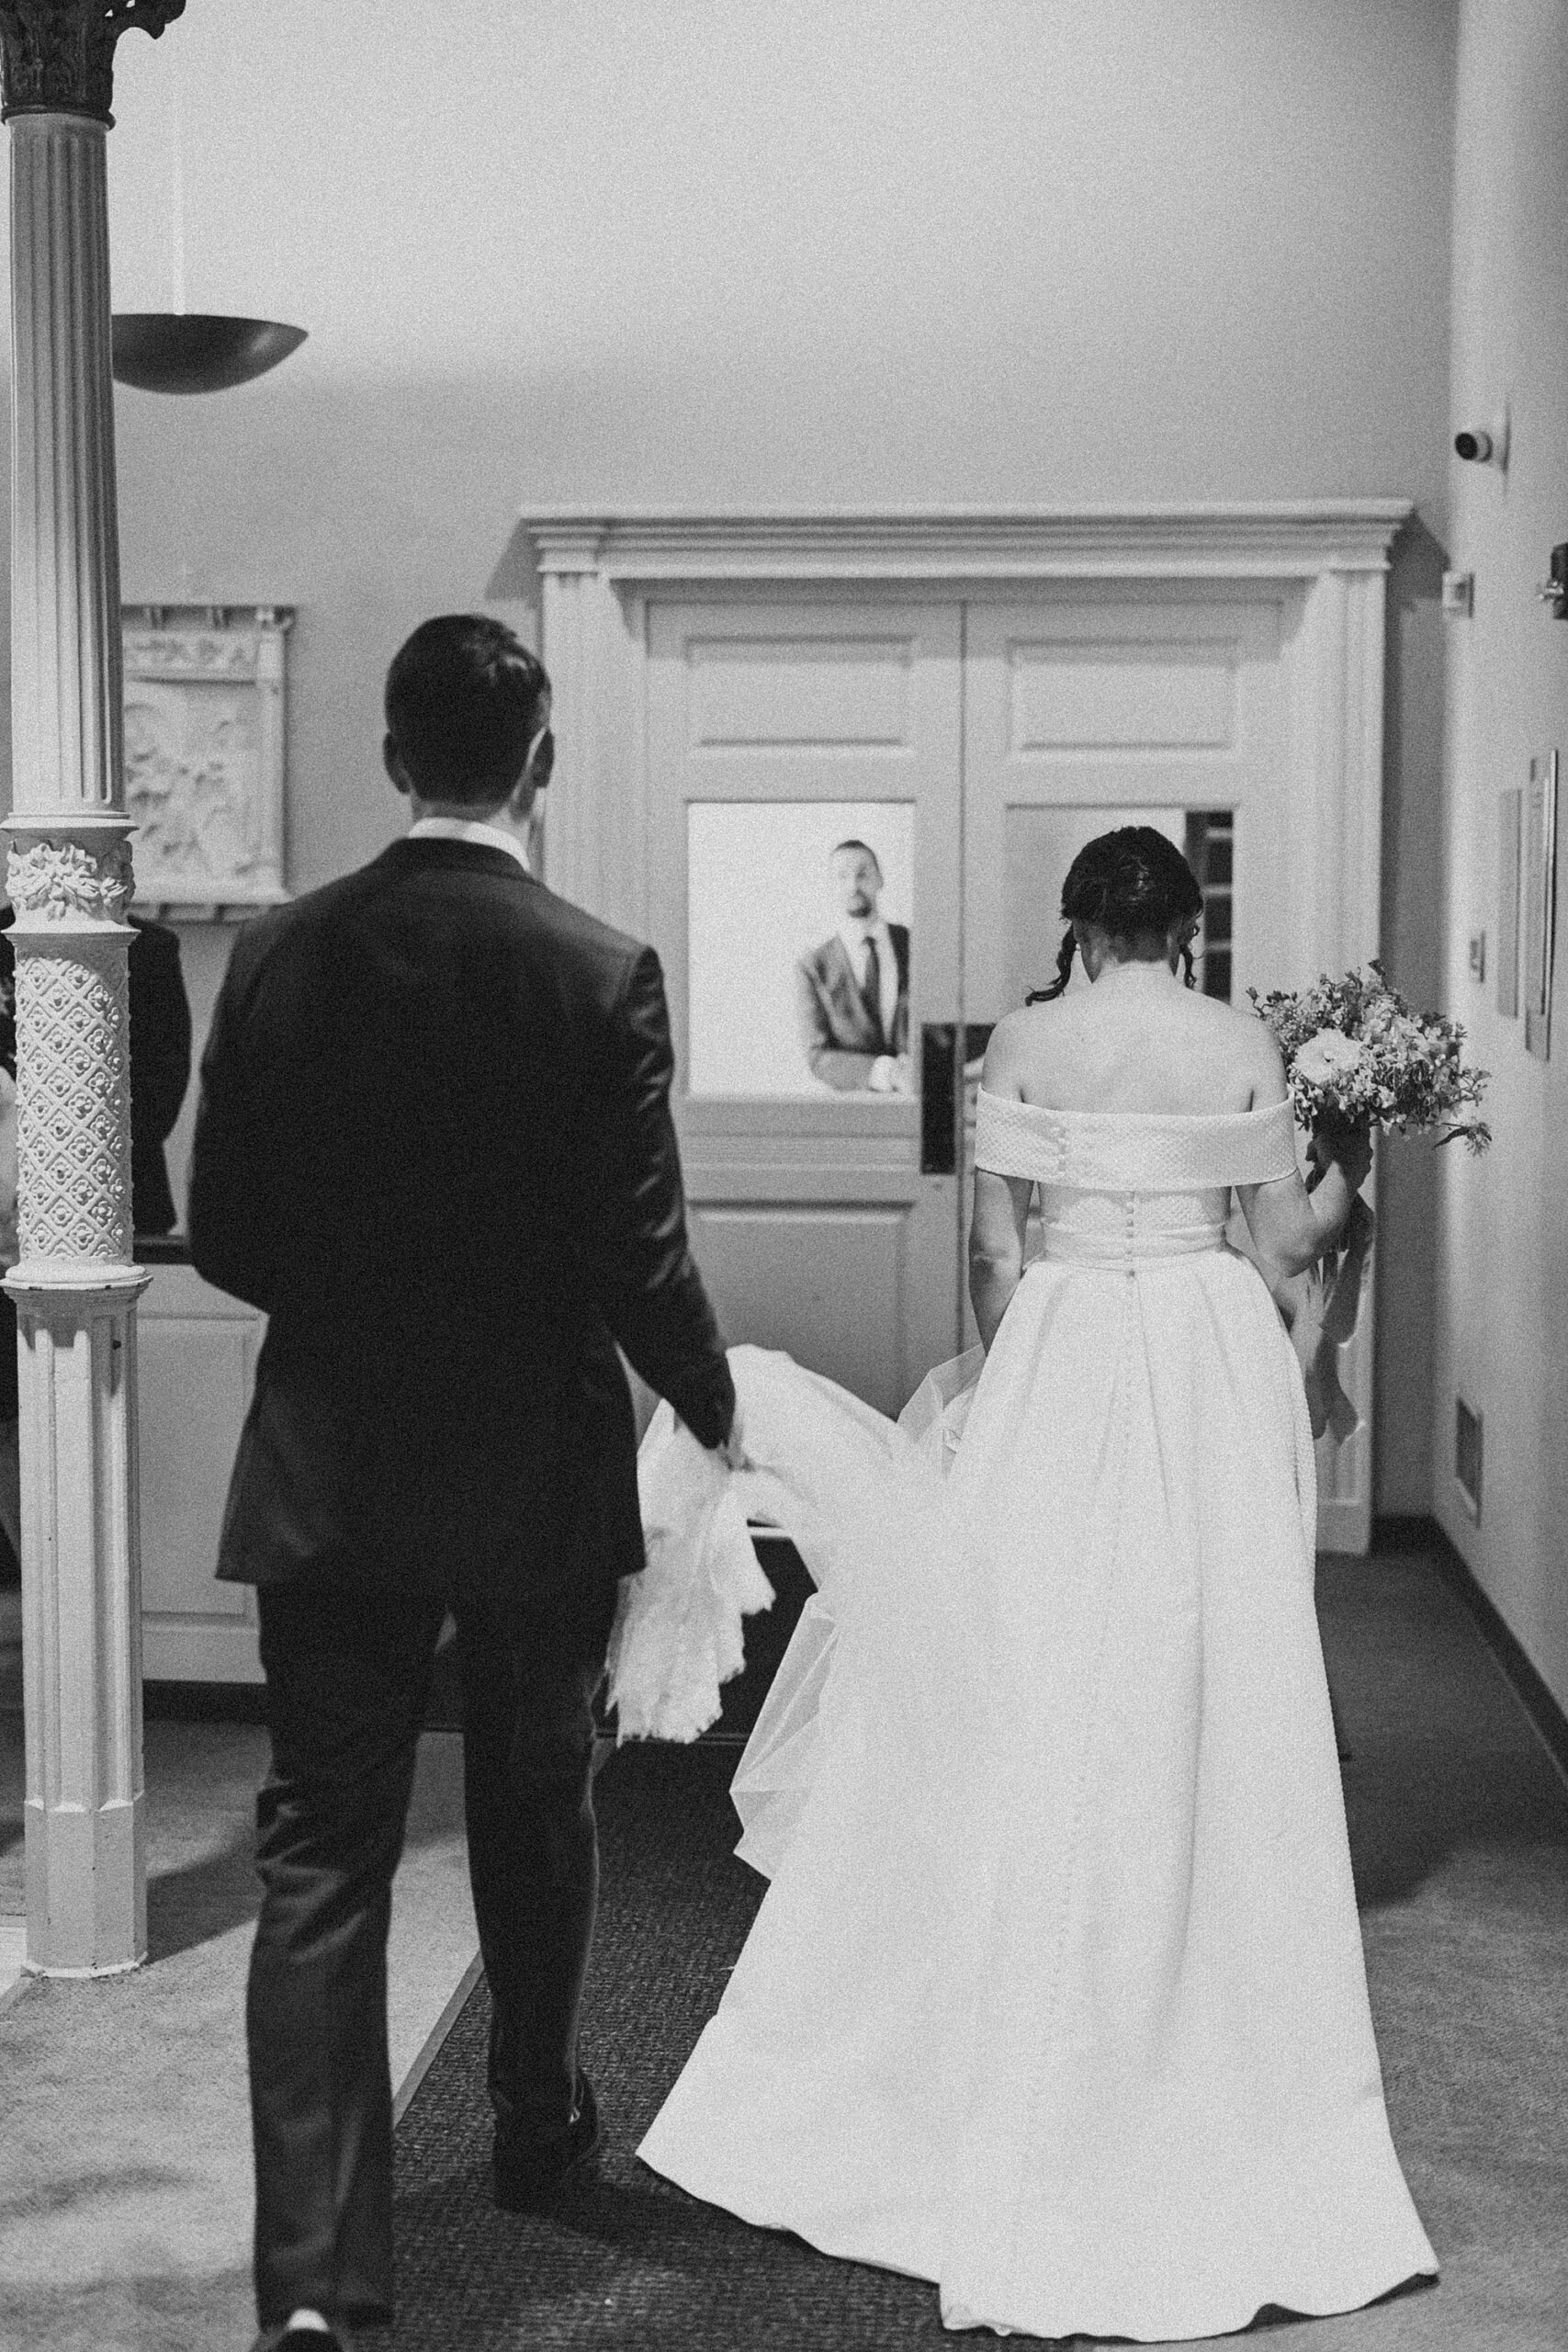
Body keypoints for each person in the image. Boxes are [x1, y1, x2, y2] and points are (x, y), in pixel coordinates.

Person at [637, 826, 1437, 2342]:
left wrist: (1005, 1386)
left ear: (1081, 924)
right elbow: (1278, 1246)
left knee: (1033, 1648)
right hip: (1203, 1350)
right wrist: (1352, 1177)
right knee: (1201, 1647)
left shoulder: (1023, 1035)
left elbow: (994, 1252)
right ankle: (1195, 1943)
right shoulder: (1233, 1042)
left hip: (1069, 1334)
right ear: (1185, 931)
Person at [187, 614, 741, 2352]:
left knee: (321, 1857)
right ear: (544, 761)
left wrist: (360, 1317)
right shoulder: (595, 968)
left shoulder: (282, 949)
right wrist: (714, 1405)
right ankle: (529, 2128)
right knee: (534, 1801)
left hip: (333, 1466)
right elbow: (637, 1253)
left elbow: (220, 1227)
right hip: (528, 1469)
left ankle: (316, 2288)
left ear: (387, 752)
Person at [0, 908, 192, 1569]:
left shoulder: (153, 948)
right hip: (5, 1223)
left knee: (127, 1412)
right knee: (14, 1423)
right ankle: (47, 1573)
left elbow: (162, 1086)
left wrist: (68, 1173)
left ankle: (143, 1583)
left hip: (122, 1202)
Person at [795, 838, 911, 1091]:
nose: (853, 885)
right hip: (852, 1110)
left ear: (880, 879)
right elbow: (817, 1055)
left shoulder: (914, 945)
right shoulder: (813, 965)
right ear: (830, 887)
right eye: (842, 876)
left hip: (918, 1105)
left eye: (863, 874)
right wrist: (886, 1072)